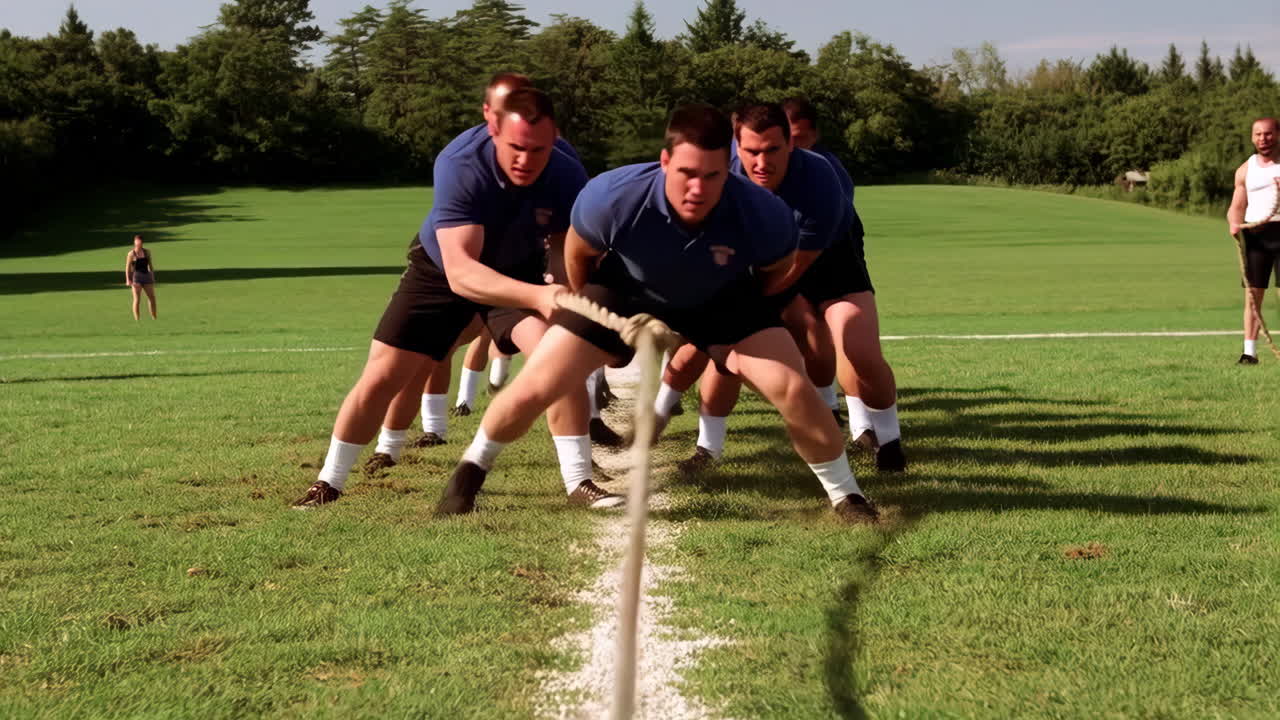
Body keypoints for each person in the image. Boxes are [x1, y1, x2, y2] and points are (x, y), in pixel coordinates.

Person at [436, 104, 880, 524]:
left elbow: (776, 271)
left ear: (727, 168)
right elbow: (579, 252)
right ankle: (469, 474)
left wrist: (740, 325)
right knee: (542, 380)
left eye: (712, 176)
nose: (698, 189)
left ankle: (846, 494)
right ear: (665, 160)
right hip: (625, 289)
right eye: (686, 173)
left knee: (791, 386)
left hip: (724, 296)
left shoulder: (765, 214)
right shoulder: (611, 196)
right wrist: (593, 313)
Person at [293, 89, 620, 510]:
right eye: (515, 148)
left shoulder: (567, 173)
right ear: (494, 128)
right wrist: (540, 295)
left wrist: (570, 294)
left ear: (555, 137)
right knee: (384, 375)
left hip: (518, 271)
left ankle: (579, 482)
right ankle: (328, 483)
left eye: (538, 150)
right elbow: (462, 272)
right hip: (442, 270)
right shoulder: (460, 163)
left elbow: (562, 247)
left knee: (557, 361)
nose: (526, 160)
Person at [655, 103, 852, 472]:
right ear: (736, 146)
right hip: (730, 267)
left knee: (810, 332)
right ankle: (677, 426)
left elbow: (801, 261)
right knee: (701, 354)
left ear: (790, 144)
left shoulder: (819, 178)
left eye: (772, 150)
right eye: (751, 151)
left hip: (789, 266)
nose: (760, 161)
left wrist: (758, 305)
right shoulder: (719, 171)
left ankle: (828, 410)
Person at [1227, 116, 1280, 365]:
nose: (1263, 139)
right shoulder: (1246, 169)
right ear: (1252, 137)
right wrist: (1233, 223)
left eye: (1268, 134)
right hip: (1257, 236)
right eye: (1258, 134)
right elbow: (1237, 205)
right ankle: (1250, 353)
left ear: (1277, 135)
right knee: (1253, 295)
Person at [125, 234, 157, 321]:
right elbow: (127, 268)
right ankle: (137, 320)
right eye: (136, 241)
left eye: (140, 241)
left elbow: (150, 265)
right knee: (137, 299)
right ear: (134, 242)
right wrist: (128, 279)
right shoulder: (131, 254)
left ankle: (154, 318)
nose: (138, 243)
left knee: (152, 298)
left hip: (147, 276)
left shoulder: (147, 252)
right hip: (136, 277)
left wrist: (152, 276)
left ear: (142, 242)